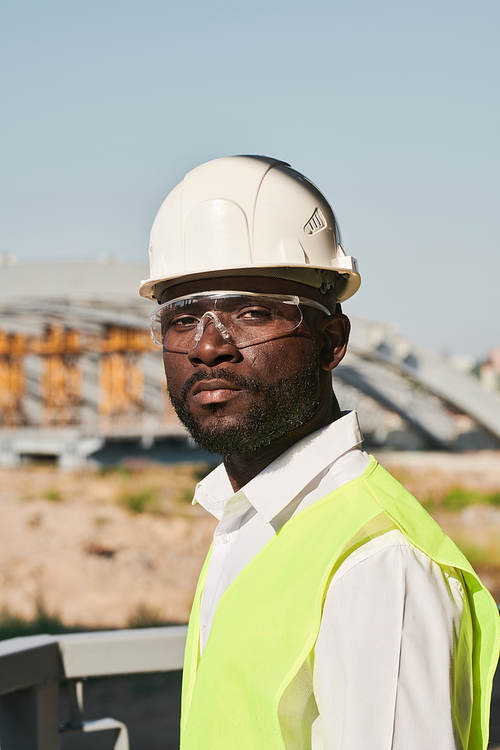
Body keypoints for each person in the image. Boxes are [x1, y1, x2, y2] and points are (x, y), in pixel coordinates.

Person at [140, 155, 499, 750]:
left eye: (252, 313)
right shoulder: (248, 521)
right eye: (180, 319)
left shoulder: (376, 565)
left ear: (331, 342)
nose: (207, 347)